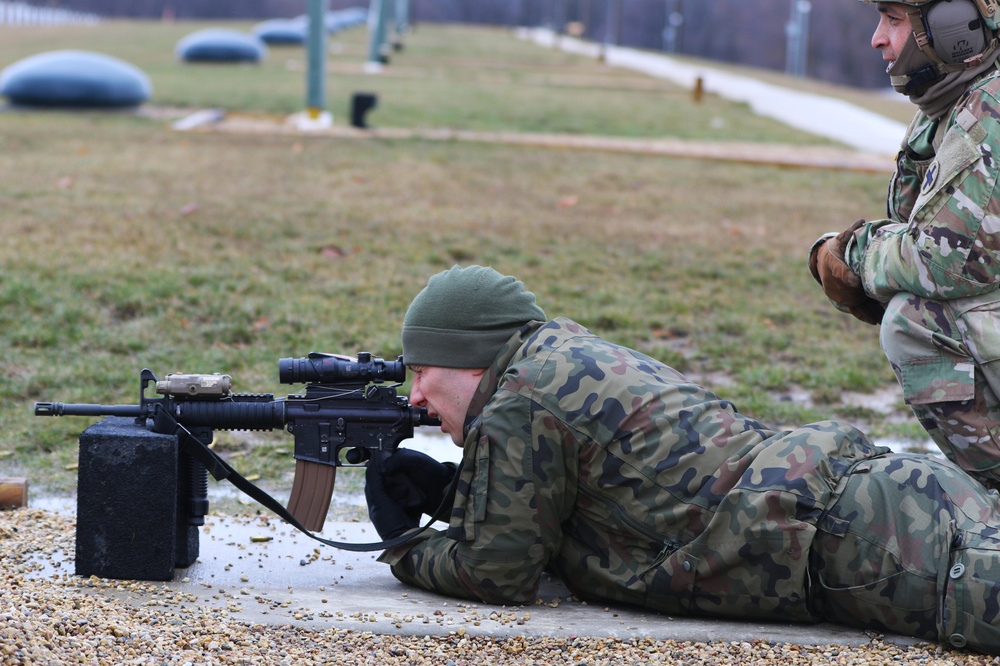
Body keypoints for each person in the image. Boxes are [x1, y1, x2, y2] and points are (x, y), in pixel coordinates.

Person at [365, 265, 1000, 654]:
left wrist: (401, 545)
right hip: (880, 499)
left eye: (423, 371)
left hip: (877, 549)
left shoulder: (520, 405)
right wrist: (455, 494)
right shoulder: (558, 357)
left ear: (472, 356)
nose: (416, 394)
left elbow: (495, 574)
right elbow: (602, 500)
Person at [808, 0, 1000, 486]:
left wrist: (852, 253)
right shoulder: (953, 104)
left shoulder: (990, 111)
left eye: (893, 20)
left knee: (916, 320)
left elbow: (942, 263)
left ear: (954, 29)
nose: (877, 38)